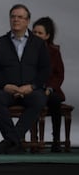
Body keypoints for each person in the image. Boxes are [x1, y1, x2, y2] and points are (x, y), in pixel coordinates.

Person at [0, 4, 51, 154]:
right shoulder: (0, 43)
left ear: (28, 21)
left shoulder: (38, 43)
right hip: (8, 90)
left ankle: (10, 141)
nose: (16, 19)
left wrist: (32, 86)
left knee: (39, 100)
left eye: (20, 17)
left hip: (30, 90)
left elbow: (45, 70)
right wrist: (5, 85)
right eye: (13, 16)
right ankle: (15, 141)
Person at [32, 16, 65, 153]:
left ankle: (56, 139)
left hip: (50, 89)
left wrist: (50, 89)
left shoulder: (54, 51)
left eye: (40, 33)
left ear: (47, 36)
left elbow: (59, 74)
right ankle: (34, 139)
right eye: (34, 32)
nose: (36, 35)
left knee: (55, 101)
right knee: (31, 99)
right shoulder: (27, 50)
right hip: (33, 88)